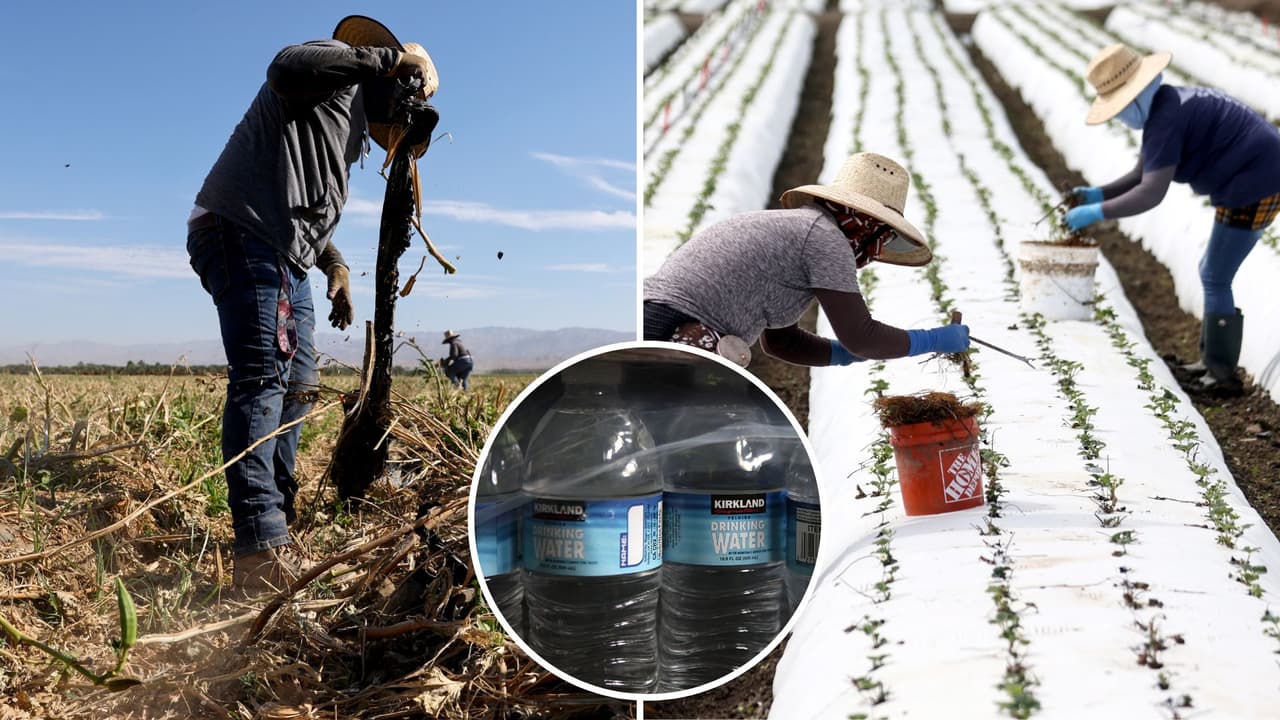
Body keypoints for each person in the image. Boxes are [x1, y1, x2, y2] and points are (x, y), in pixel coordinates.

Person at [186, 15, 438, 593]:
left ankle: (281, 516)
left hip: (284, 252)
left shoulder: (345, 127)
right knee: (264, 380)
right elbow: (283, 65)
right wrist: (390, 62)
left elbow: (300, 200)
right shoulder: (330, 69)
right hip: (244, 233)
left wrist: (337, 267)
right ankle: (260, 544)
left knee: (299, 384)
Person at [1065, 43, 1280, 394]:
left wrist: (1096, 212)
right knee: (1213, 272)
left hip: (1260, 180)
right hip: (1253, 175)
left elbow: (1151, 191)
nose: (1120, 117)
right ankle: (1212, 365)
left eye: (1120, 109)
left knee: (1215, 274)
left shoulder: (1167, 117)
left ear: (1136, 96)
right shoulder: (1168, 105)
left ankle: (1222, 377)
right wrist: (1099, 193)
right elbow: (1144, 170)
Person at [643, 152, 970, 367]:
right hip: (669, 326)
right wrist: (933, 340)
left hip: (651, 316)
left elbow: (782, 342)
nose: (878, 249)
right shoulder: (826, 240)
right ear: (868, 226)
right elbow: (861, 334)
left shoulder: (806, 231)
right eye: (882, 236)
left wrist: (845, 355)